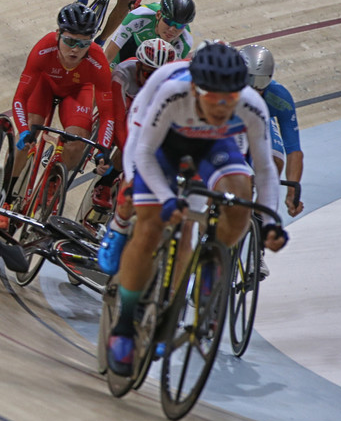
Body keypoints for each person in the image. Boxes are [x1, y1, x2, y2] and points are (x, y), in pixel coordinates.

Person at [104, 42, 289, 377]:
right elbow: (142, 150)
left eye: (229, 99)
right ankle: (125, 325)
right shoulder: (171, 90)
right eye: (213, 98)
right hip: (160, 145)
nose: (222, 107)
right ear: (194, 87)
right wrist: (164, 196)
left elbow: (263, 170)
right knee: (150, 226)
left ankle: (210, 265)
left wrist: (269, 222)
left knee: (237, 199)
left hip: (214, 147)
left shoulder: (249, 104)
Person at [0, 3, 116, 229]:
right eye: (70, 41)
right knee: (31, 128)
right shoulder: (44, 49)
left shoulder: (97, 61)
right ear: (58, 34)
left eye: (83, 44)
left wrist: (103, 149)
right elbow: (20, 98)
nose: (75, 50)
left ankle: (52, 184)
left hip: (77, 92)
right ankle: (7, 198)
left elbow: (108, 114)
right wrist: (23, 132)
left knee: (77, 141)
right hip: (45, 85)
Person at [94, 38, 178, 274]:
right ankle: (107, 180)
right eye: (148, 72)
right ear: (139, 66)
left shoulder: (171, 83)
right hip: (126, 107)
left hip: (149, 114)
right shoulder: (124, 73)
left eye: (157, 74)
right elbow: (118, 120)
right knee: (122, 141)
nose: (151, 78)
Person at [240, 44, 304, 217]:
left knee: (273, 167)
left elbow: (294, 150)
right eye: (249, 81)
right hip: (230, 128)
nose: (255, 89)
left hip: (258, 127)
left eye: (260, 82)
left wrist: (292, 192)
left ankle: (258, 220)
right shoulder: (225, 91)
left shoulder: (279, 98)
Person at [102, 0, 195, 66]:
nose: (172, 29)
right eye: (168, 22)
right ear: (158, 15)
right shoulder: (139, 16)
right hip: (131, 47)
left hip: (158, 59)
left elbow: (169, 75)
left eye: (179, 26)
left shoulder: (185, 41)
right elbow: (108, 56)